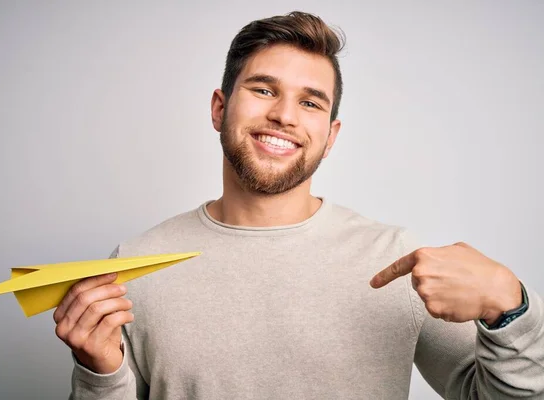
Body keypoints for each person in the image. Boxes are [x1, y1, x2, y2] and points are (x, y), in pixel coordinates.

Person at [54, 11, 544, 399]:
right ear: (219, 109)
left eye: (310, 103)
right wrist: (99, 373)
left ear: (330, 137)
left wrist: (511, 307)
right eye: (264, 89)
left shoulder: (395, 261)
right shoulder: (134, 266)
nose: (284, 115)